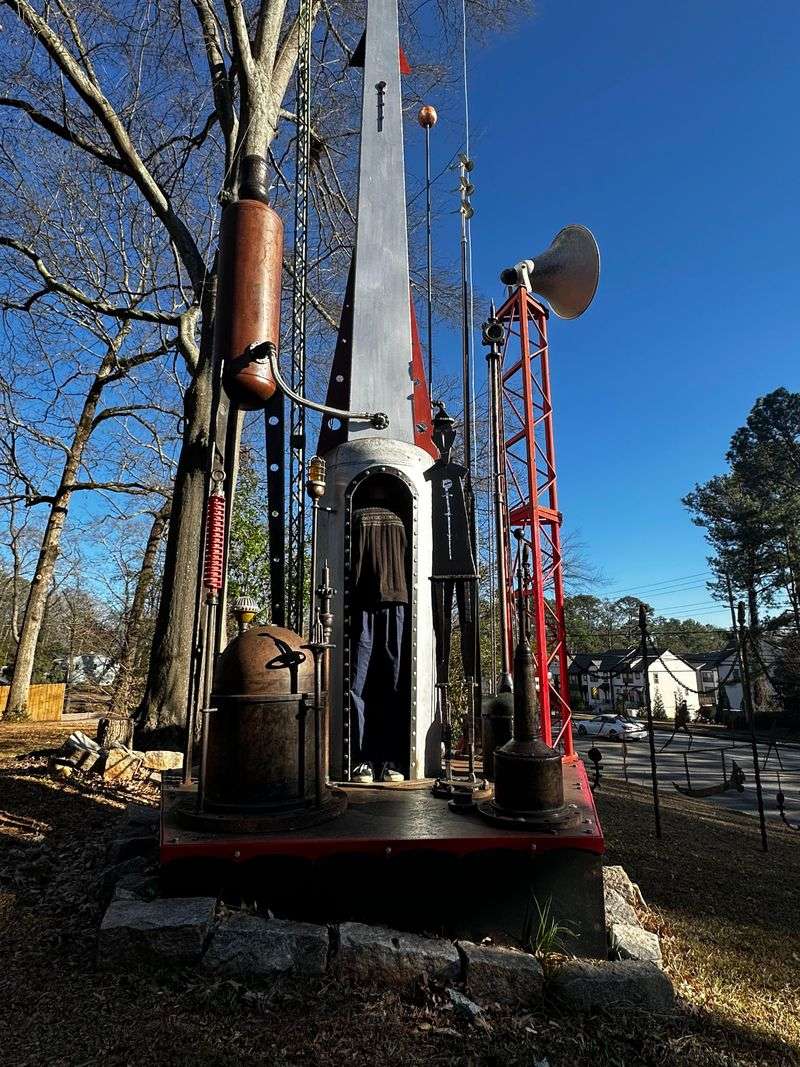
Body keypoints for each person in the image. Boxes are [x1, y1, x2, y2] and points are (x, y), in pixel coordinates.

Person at [349, 485, 409, 783]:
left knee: (357, 682)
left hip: (362, 602)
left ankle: (360, 758)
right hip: (396, 601)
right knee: (393, 681)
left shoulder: (356, 517)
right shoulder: (399, 520)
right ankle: (390, 760)